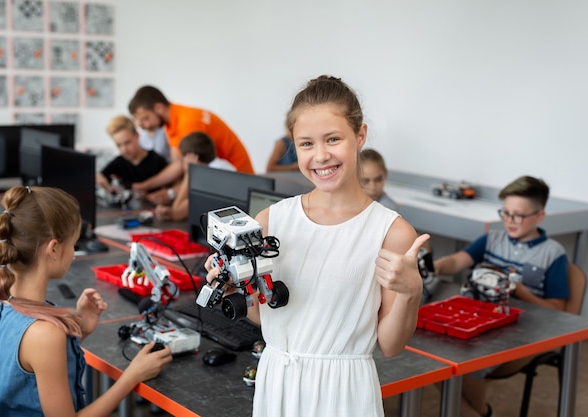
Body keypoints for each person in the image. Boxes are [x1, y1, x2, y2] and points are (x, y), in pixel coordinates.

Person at [204, 75, 429, 417]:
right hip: (276, 379)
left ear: (360, 136)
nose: (321, 156)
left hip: (344, 392)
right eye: (306, 144)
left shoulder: (391, 232)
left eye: (333, 139)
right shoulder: (269, 220)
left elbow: (391, 344)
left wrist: (412, 292)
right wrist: (235, 283)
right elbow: (264, 316)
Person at [0, 186, 172, 416]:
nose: (74, 254)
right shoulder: (44, 334)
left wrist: (79, 330)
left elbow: (22, 372)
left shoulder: (1, 301)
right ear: (54, 249)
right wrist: (132, 376)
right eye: (73, 245)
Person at [433, 175, 569, 417]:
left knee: (468, 365)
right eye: (505, 213)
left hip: (521, 330)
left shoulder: (553, 254)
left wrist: (521, 292)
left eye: (517, 215)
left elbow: (558, 309)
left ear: (539, 216)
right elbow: (456, 262)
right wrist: (435, 266)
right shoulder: (491, 239)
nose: (509, 221)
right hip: (481, 320)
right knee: (434, 360)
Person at [127, 85, 254, 197]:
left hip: (239, 183)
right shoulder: (171, 122)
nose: (144, 126)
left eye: (145, 119)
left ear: (159, 108)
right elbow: (177, 161)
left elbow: (183, 167)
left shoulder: (187, 123)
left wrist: (147, 186)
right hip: (223, 178)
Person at [155, 131, 235, 222]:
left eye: (183, 159)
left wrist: (189, 172)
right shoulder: (221, 165)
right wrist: (170, 212)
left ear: (191, 157)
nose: (182, 163)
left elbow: (178, 213)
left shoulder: (212, 174)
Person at [97, 115, 169, 201]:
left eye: (127, 143)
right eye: (119, 145)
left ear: (137, 136)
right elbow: (100, 175)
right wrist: (99, 178)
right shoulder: (119, 162)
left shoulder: (156, 160)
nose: (124, 149)